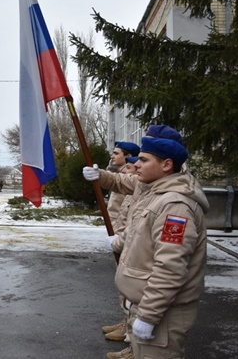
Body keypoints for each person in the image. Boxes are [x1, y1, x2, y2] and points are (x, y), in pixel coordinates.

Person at [83, 130, 209, 359]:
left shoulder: (175, 206)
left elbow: (170, 268)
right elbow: (140, 233)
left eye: (143, 159)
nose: (136, 164)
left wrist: (149, 316)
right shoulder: (155, 191)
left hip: (163, 313)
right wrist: (120, 241)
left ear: (167, 165)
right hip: (147, 305)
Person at [102, 141, 140, 343]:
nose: (112, 156)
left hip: (125, 236)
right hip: (118, 234)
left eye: (116, 153)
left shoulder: (134, 178)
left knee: (128, 288)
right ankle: (125, 321)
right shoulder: (123, 174)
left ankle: (130, 327)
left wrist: (120, 236)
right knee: (122, 287)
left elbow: (129, 213)